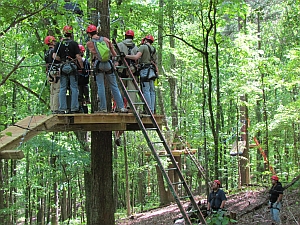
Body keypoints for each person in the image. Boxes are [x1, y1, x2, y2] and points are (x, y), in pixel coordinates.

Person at [85, 24, 128, 113]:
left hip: (98, 64)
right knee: (114, 86)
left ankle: (103, 108)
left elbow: (94, 54)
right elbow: (114, 54)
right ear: (96, 31)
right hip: (108, 64)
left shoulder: (89, 43)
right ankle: (121, 107)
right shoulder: (106, 40)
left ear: (89, 34)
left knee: (101, 86)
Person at [53, 25, 84, 114]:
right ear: (71, 33)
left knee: (63, 88)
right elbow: (78, 57)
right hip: (72, 66)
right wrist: (81, 67)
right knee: (74, 88)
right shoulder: (74, 43)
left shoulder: (59, 44)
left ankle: (62, 108)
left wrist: (61, 60)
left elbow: (54, 56)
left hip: (63, 66)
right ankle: (74, 108)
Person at [125, 34, 157, 114]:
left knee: (146, 90)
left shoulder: (143, 47)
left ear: (145, 40)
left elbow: (136, 57)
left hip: (145, 71)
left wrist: (126, 56)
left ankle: (147, 109)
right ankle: (152, 109)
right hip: (152, 71)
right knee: (152, 91)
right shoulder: (154, 49)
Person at [117, 30, 139, 108]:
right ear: (132, 37)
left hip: (121, 69)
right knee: (132, 88)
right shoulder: (136, 48)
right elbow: (137, 60)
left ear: (125, 36)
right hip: (132, 69)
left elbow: (115, 57)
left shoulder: (119, 45)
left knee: (120, 88)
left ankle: (119, 105)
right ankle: (131, 105)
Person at [44, 35, 61, 114]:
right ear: (51, 42)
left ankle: (52, 107)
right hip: (55, 72)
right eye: (54, 41)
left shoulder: (46, 52)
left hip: (49, 72)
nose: (55, 42)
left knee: (52, 91)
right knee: (57, 90)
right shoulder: (53, 51)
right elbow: (57, 59)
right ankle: (56, 108)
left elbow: (46, 64)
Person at [78, 44, 90, 112]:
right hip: (83, 81)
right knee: (83, 93)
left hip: (81, 82)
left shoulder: (75, 61)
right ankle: (85, 101)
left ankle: (82, 105)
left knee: (80, 94)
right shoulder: (85, 61)